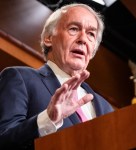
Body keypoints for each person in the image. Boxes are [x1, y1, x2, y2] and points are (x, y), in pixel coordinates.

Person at [0, 3, 114, 150]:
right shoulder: (20, 78)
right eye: (74, 29)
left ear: (92, 51)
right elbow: (4, 140)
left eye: (91, 34)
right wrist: (47, 120)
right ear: (48, 38)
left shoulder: (105, 107)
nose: (83, 39)